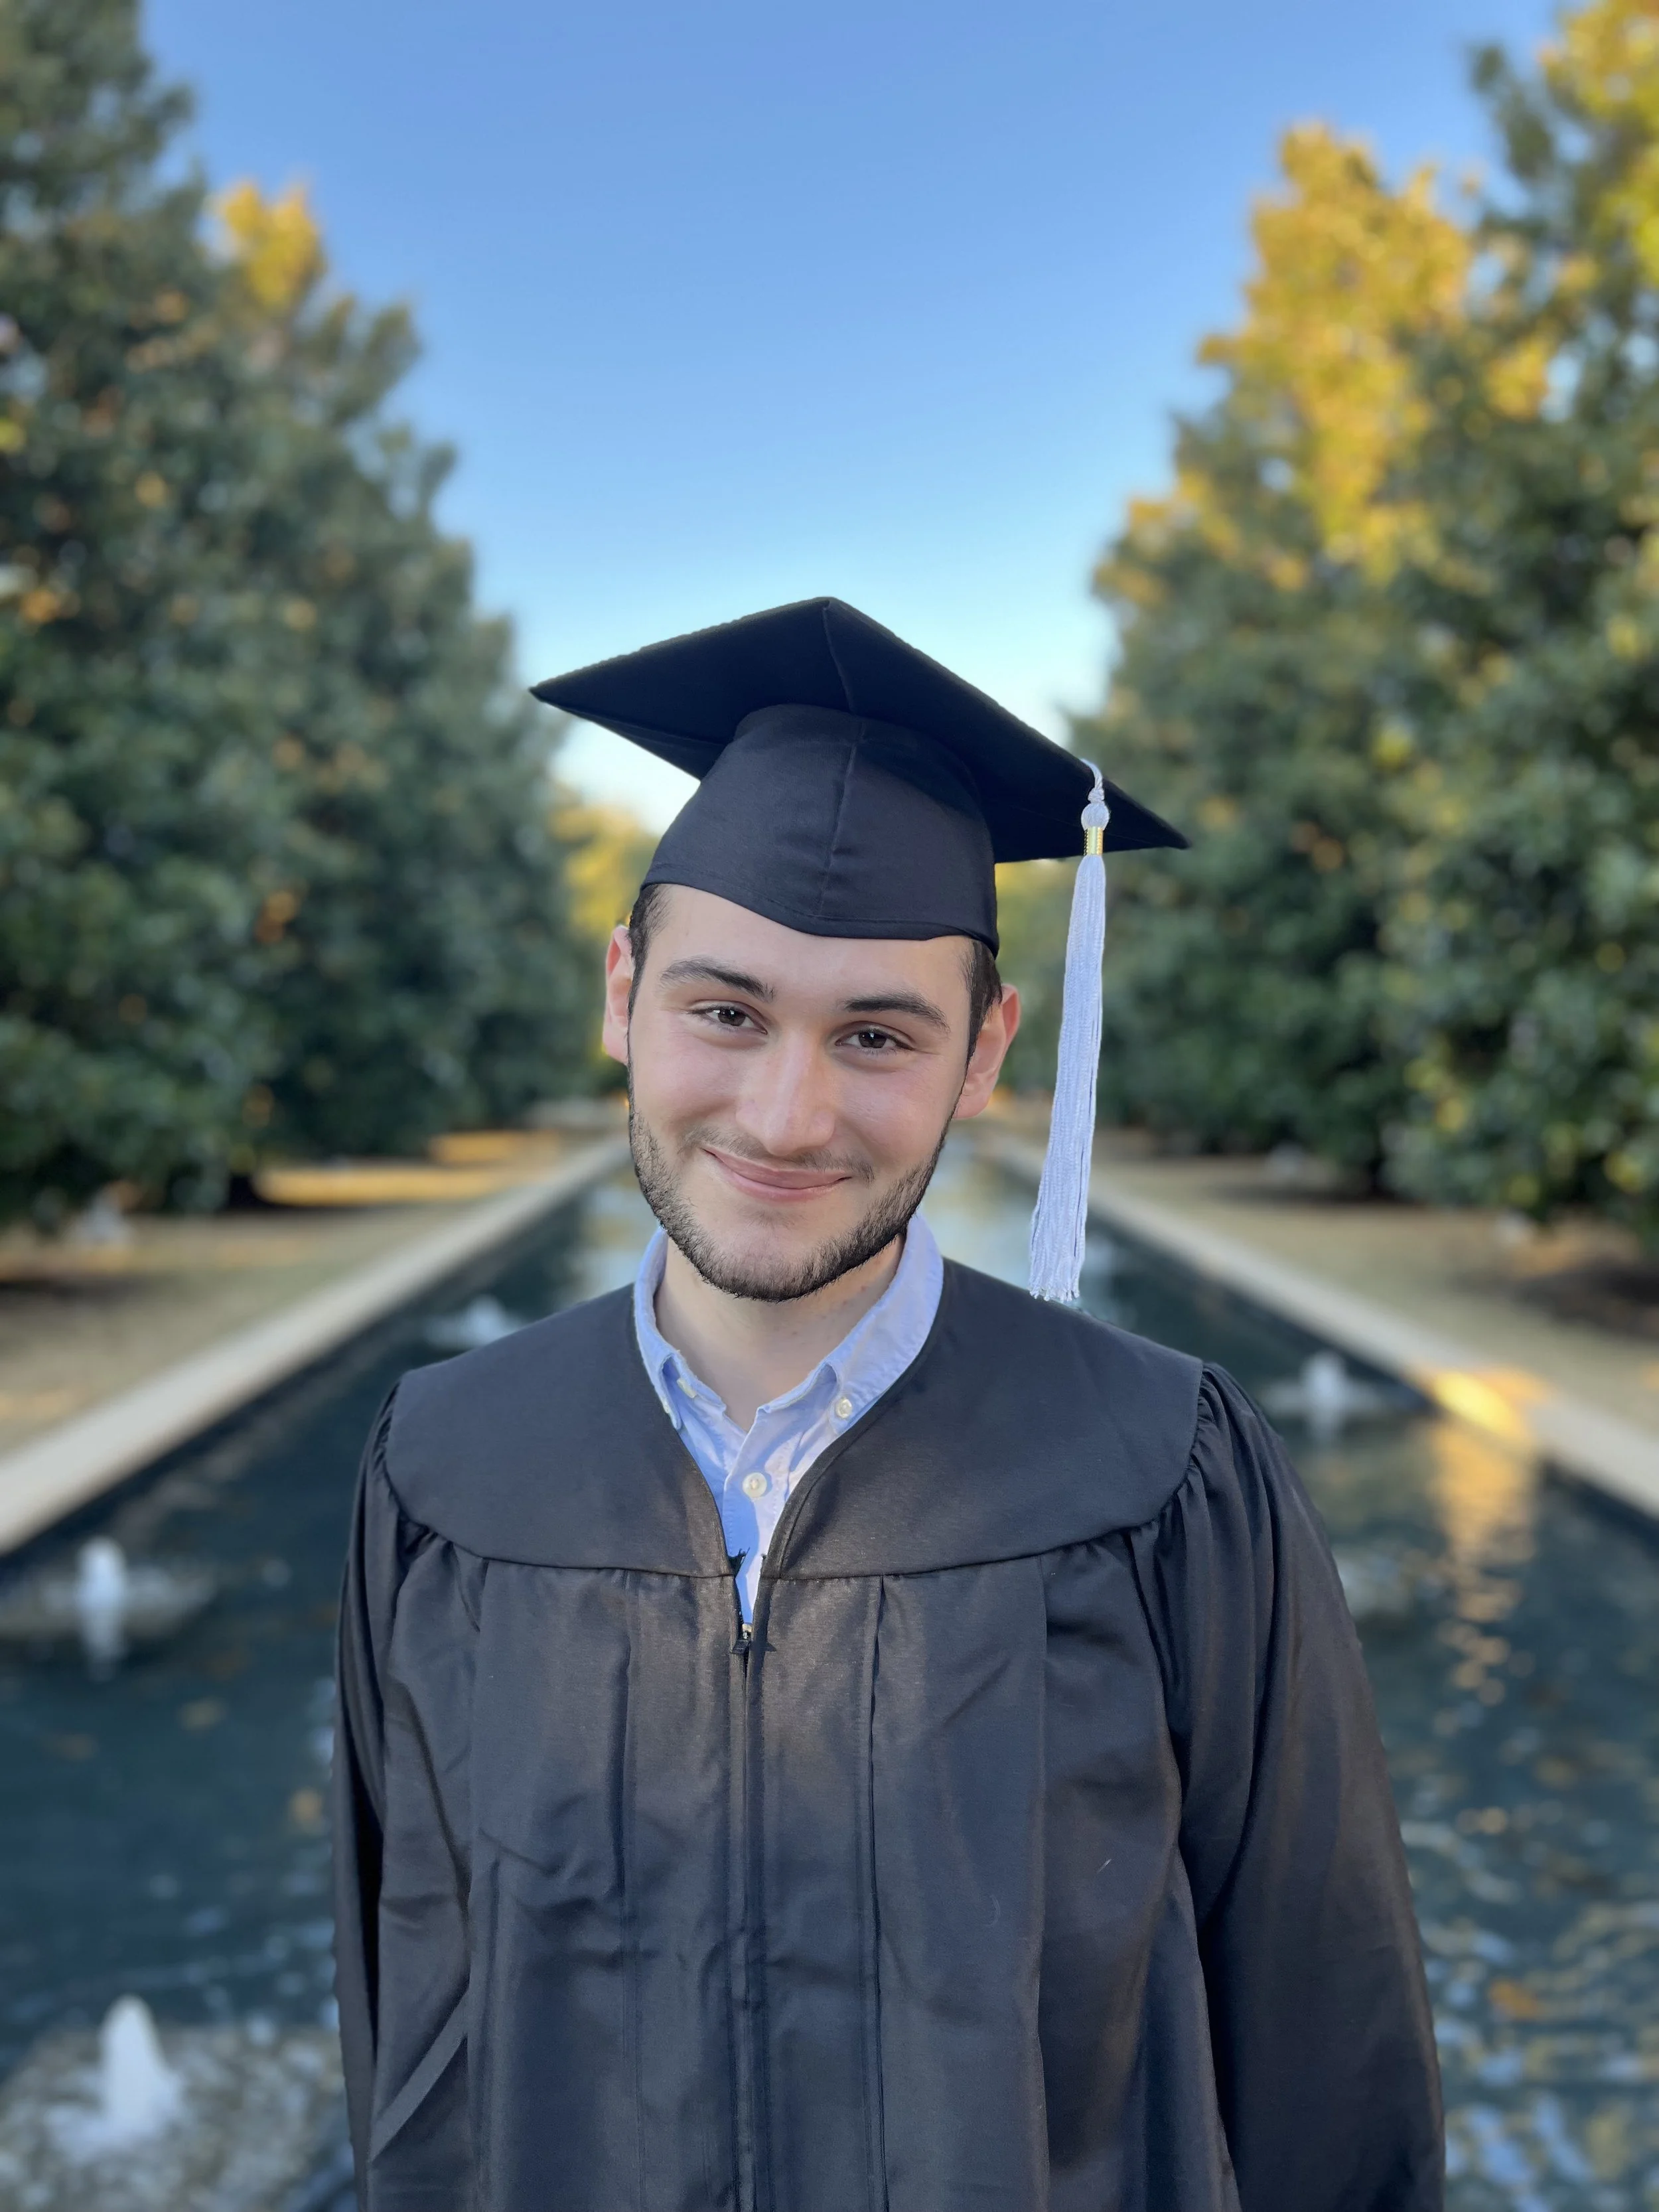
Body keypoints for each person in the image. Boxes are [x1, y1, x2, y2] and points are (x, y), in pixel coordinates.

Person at [332, 599, 1443, 2212]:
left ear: (985, 1051)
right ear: (621, 992)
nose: (785, 1114)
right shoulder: (440, 1473)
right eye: (724, 1010)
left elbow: (1325, 2047)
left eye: (875, 1034)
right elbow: (405, 2029)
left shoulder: (1161, 1471)